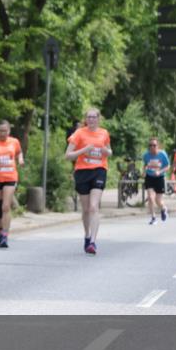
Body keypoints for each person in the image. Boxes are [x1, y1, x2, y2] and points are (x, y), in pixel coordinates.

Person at [65, 108, 111, 255]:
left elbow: (110, 152)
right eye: (89, 117)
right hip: (82, 172)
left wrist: (105, 151)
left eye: (94, 117)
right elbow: (68, 155)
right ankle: (86, 235)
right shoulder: (79, 133)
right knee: (85, 209)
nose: (91, 119)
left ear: (98, 119)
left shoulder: (104, 133)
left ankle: (93, 241)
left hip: (99, 170)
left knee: (93, 207)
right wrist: (83, 150)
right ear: (86, 119)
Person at [141, 137, 170, 225]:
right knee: (150, 197)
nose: (152, 147)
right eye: (150, 145)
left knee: (158, 200)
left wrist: (160, 171)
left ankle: (163, 208)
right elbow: (146, 164)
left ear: (158, 146)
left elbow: (168, 166)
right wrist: (144, 171)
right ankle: (153, 217)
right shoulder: (146, 155)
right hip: (149, 177)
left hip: (159, 177)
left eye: (154, 145)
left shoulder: (162, 154)